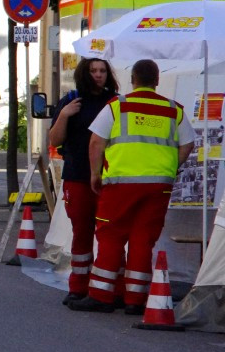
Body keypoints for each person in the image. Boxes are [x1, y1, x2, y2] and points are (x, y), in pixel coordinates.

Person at [69, 59, 194, 314]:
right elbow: (188, 144)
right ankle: (135, 300)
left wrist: (95, 174)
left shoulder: (118, 106)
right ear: (157, 81)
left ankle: (101, 296)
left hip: (120, 184)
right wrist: (171, 167)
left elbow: (96, 142)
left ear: (133, 79)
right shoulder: (174, 110)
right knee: (142, 240)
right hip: (158, 186)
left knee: (111, 236)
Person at [48, 57, 120, 307]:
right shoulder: (72, 100)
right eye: (93, 71)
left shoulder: (115, 102)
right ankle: (78, 286)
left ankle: (110, 288)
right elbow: (55, 140)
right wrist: (64, 116)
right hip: (77, 175)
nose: (98, 75)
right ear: (84, 73)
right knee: (81, 231)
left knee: (110, 233)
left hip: (109, 178)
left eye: (102, 71)